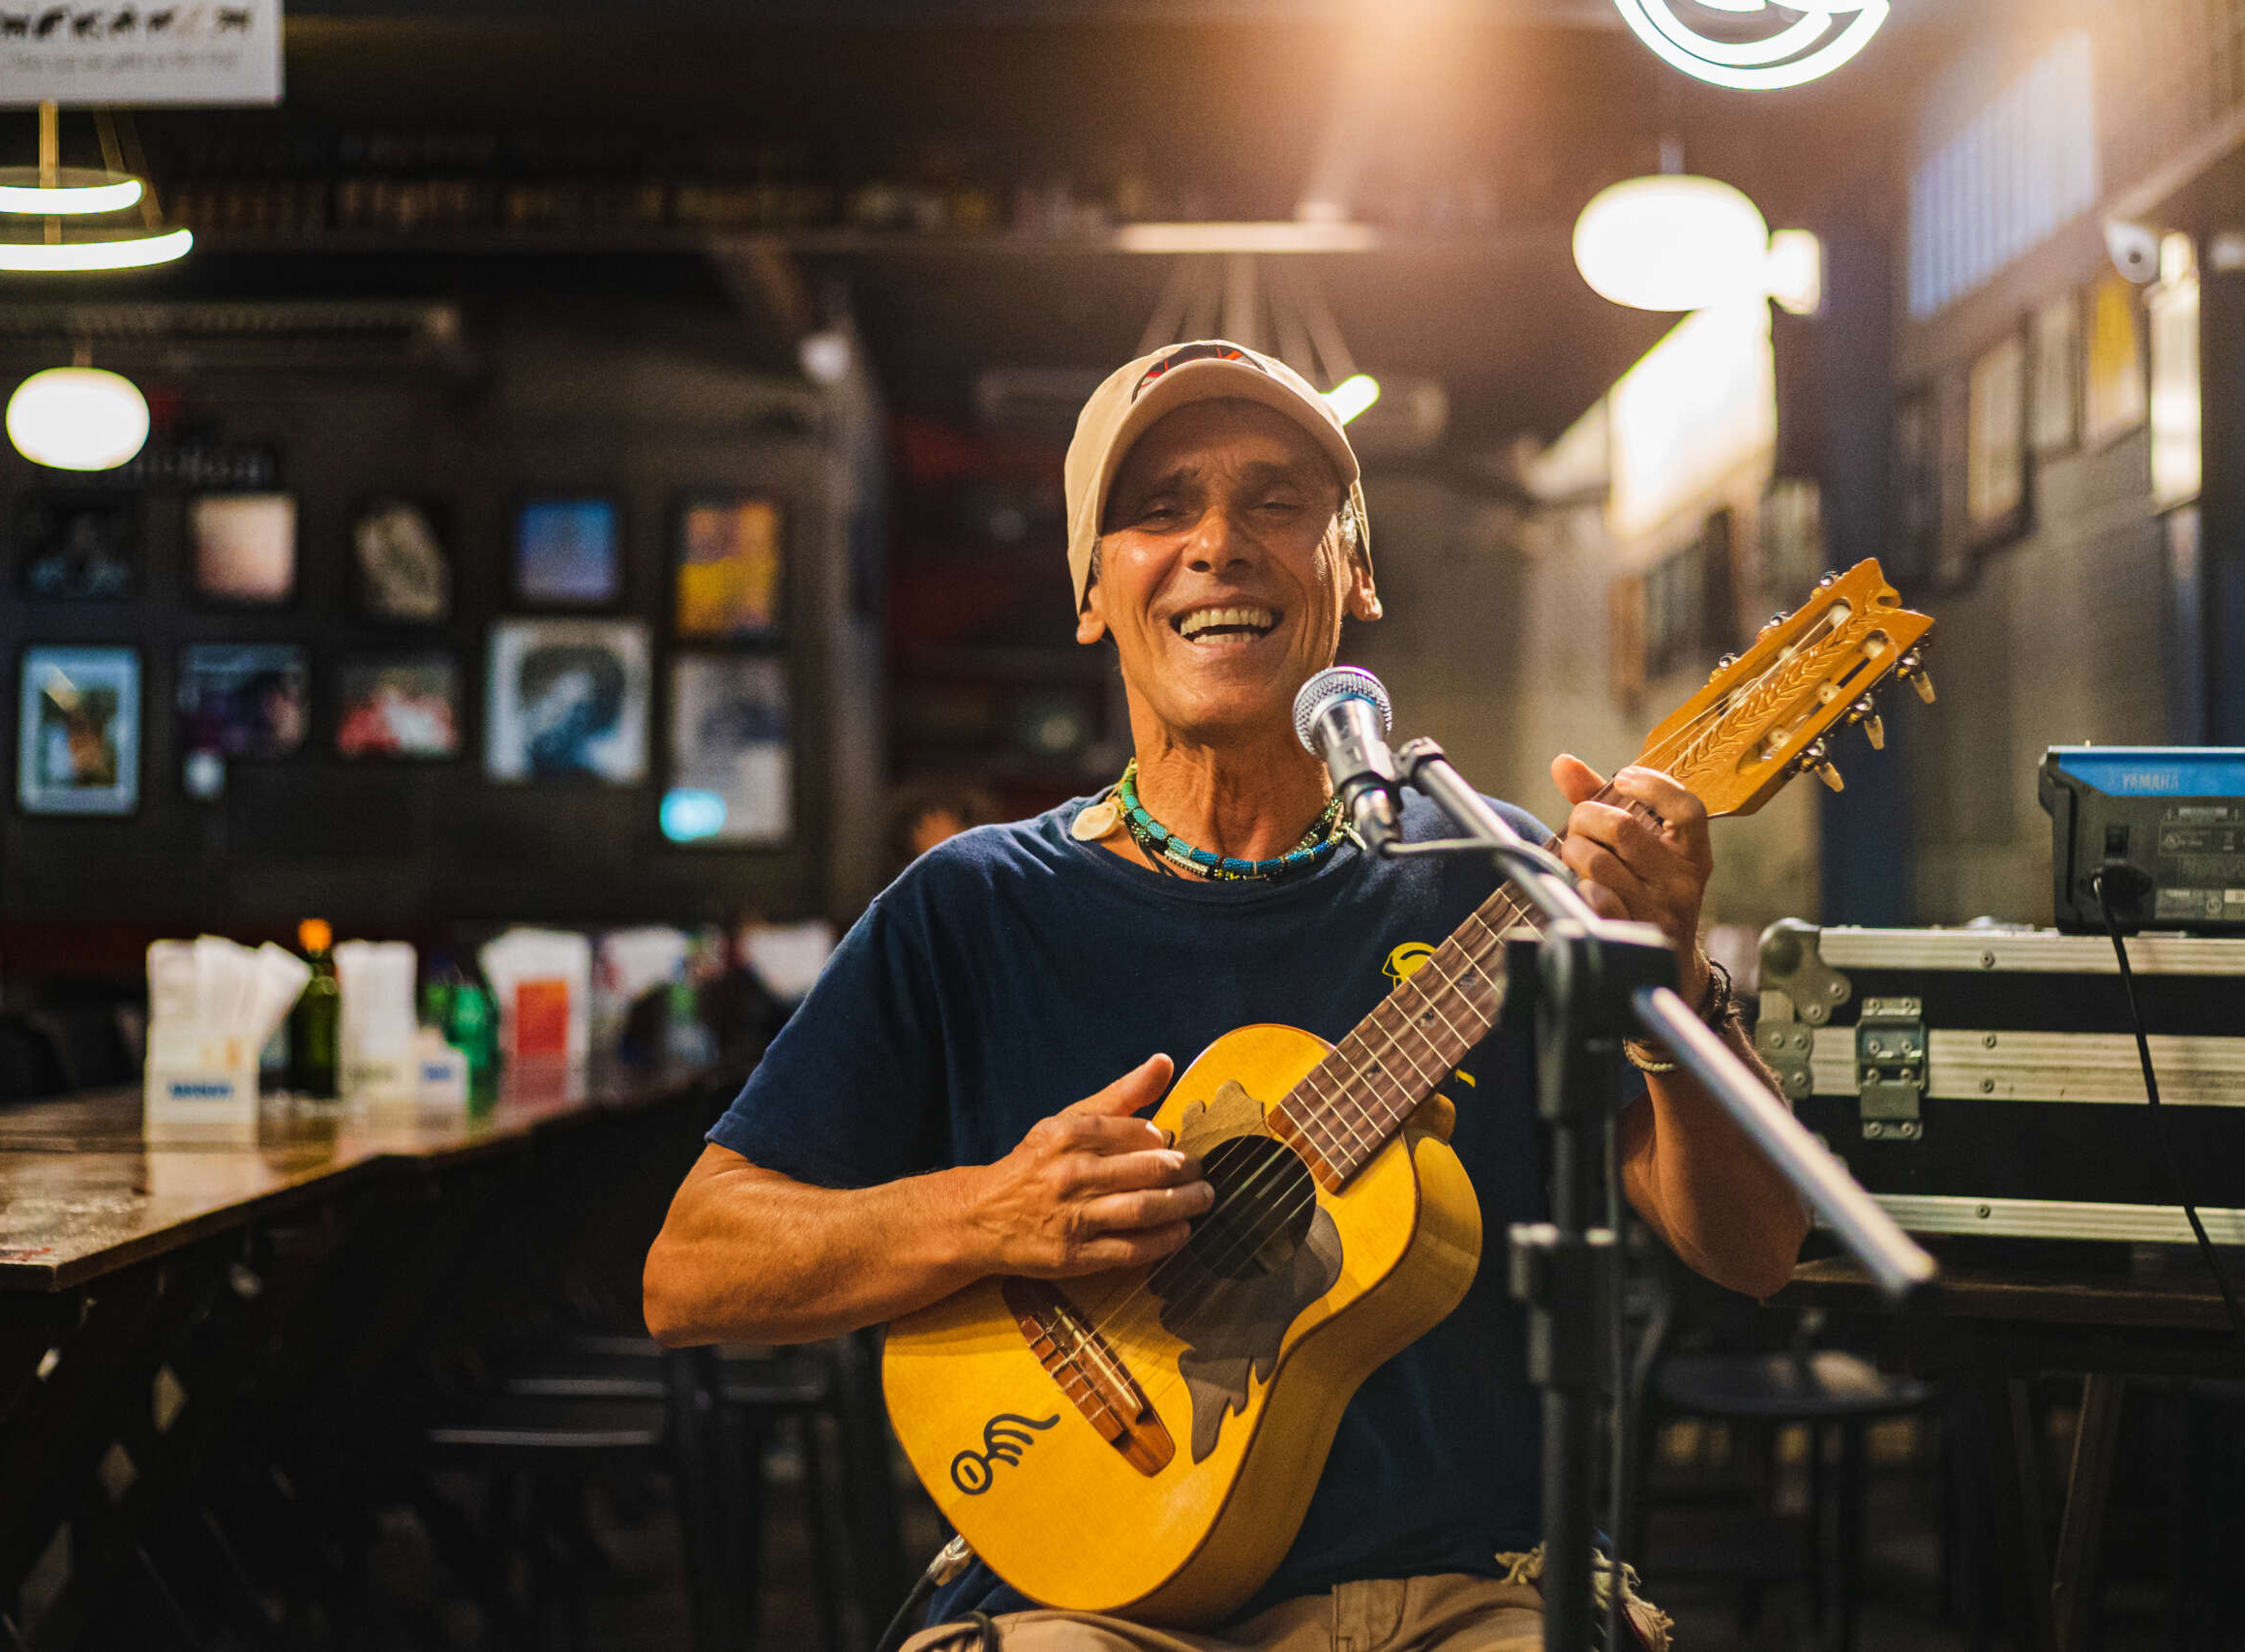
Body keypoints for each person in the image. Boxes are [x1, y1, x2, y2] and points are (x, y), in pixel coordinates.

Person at [644, 340, 1809, 1651]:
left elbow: (1756, 1250)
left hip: (1478, 1587)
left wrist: (1681, 970)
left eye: (1277, 502)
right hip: (1082, 1596)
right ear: (1092, 590)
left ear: (1353, 568)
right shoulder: (970, 906)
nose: (1217, 543)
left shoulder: (1512, 881)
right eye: (1157, 509)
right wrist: (988, 1211)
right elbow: (694, 1268)